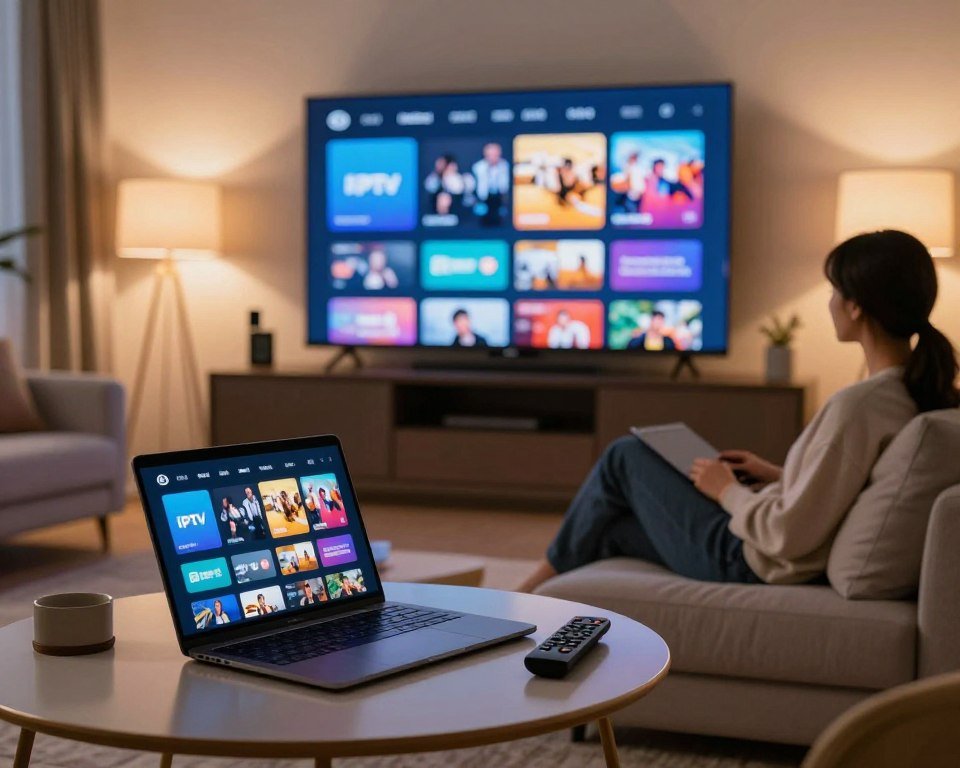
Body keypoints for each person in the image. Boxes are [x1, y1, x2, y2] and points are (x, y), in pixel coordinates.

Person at [519, 230, 959, 592]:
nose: (829, 302)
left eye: (833, 290)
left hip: (746, 559)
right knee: (611, 528)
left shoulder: (858, 405)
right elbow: (845, 491)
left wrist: (725, 490)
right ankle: (542, 598)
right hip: (769, 547)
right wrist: (778, 476)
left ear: (856, 305)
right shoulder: (911, 391)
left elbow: (786, 536)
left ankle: (523, 594)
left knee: (623, 457)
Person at [472, 142, 509, 226]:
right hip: (483, 200)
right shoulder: (477, 167)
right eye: (490, 154)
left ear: (499, 154)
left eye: (495, 154)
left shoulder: (506, 166)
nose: (492, 157)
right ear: (485, 154)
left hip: (501, 199)